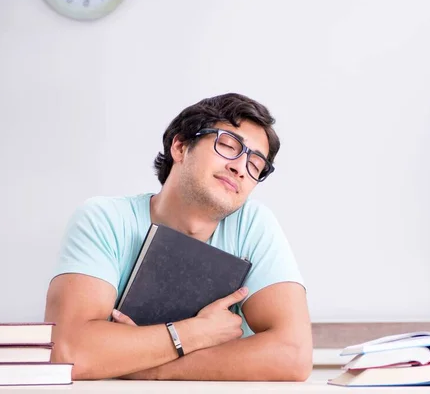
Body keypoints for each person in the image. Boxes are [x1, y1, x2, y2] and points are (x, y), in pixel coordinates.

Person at [44, 93, 312, 381]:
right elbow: (69, 350)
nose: (240, 169)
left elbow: (293, 355)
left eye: (255, 165)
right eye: (227, 145)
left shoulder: (253, 225)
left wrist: (144, 364)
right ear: (181, 146)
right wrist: (197, 332)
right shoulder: (104, 219)